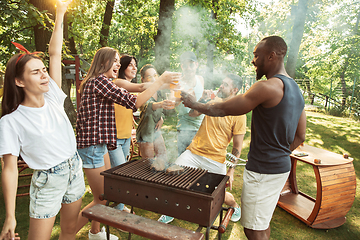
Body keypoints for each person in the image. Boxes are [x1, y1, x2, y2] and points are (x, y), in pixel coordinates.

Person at [181, 36, 307, 240]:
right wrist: (279, 155)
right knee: (262, 223)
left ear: (271, 56)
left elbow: (222, 108)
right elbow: (301, 135)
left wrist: (195, 104)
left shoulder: (266, 87)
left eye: (257, 55)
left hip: (263, 171)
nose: (253, 60)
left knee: (253, 229)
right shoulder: (295, 89)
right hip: (281, 168)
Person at [0, 1, 85, 240]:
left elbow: (54, 53)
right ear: (19, 81)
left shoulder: (53, 96)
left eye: (43, 70)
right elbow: (9, 169)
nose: (44, 74)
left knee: (69, 231)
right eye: (35, 72)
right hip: (48, 179)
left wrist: (60, 12)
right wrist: (10, 215)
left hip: (74, 168)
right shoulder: (11, 122)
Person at [75, 48, 180, 239]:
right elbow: (135, 102)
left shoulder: (101, 82)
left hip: (100, 145)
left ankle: (95, 232)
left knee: (106, 194)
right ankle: (69, 232)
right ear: (102, 62)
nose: (117, 65)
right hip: (92, 148)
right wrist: (161, 81)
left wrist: (165, 84)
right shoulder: (99, 82)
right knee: (101, 198)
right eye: (114, 61)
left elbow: (140, 90)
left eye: (118, 61)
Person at [158, 74, 246, 224]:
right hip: (194, 152)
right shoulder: (213, 101)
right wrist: (202, 99)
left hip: (216, 159)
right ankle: (171, 210)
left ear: (234, 90)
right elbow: (194, 114)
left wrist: (231, 170)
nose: (220, 86)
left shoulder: (239, 113)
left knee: (218, 195)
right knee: (173, 178)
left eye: (225, 84)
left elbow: (237, 146)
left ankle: (234, 205)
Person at [136, 64, 174, 160]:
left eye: (155, 75)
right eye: (149, 77)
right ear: (143, 80)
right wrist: (160, 104)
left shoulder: (160, 92)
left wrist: (161, 118)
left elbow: (159, 111)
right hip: (145, 132)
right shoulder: (143, 93)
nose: (153, 79)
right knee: (148, 162)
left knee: (163, 157)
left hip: (156, 130)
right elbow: (146, 107)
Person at [175, 51, 205, 156]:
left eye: (191, 64)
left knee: (200, 163)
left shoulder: (200, 79)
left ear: (196, 65)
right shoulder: (178, 84)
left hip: (202, 128)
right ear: (182, 67)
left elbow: (201, 99)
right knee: (184, 163)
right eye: (185, 65)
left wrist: (207, 98)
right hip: (185, 129)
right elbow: (174, 104)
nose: (189, 68)